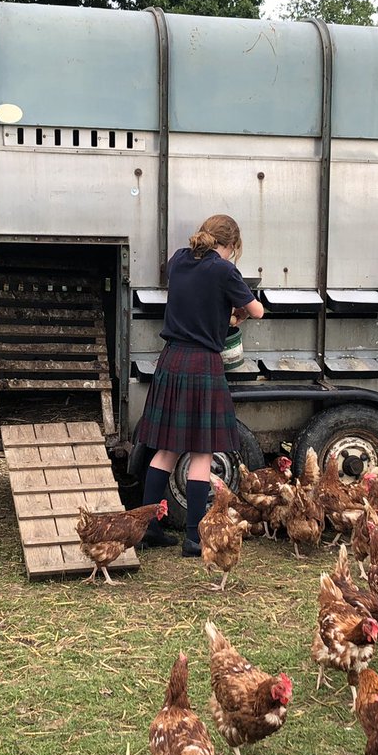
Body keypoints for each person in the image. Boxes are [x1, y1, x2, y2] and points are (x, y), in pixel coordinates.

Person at [133, 214, 265, 557]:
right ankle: (194, 538)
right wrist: (240, 313)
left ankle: (148, 527)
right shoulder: (224, 270)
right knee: (202, 452)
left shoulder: (178, 259)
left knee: (166, 448)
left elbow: (197, 302)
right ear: (232, 246)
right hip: (202, 364)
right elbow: (257, 310)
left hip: (172, 358)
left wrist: (224, 313)